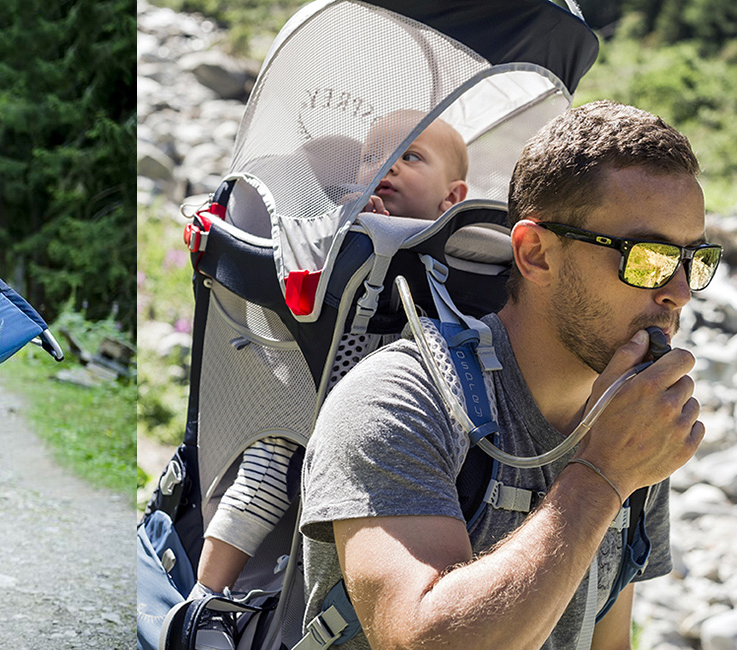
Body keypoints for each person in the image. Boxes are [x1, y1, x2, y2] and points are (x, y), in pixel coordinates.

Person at [300, 100, 714, 649]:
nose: (679, 291)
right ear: (536, 254)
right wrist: (599, 478)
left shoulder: (632, 420)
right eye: (646, 257)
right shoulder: (398, 400)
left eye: (693, 259)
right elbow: (416, 641)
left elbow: (605, 639)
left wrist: (615, 467)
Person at [188, 115, 471, 608]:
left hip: (393, 423)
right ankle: (205, 593)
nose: (388, 166)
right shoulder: (342, 221)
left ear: (452, 198)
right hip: (306, 396)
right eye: (372, 157)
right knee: (262, 476)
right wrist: (349, 222)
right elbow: (293, 262)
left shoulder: (460, 254)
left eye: (410, 156)